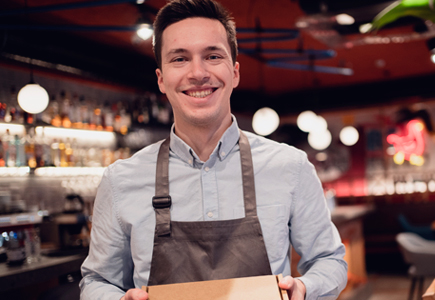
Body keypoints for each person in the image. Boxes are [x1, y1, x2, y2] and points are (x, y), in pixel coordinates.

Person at [79, 0, 348, 299]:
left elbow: (329, 260)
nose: (198, 72)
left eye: (212, 55)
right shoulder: (120, 180)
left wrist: (304, 288)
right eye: (179, 59)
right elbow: (96, 281)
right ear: (161, 80)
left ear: (234, 73)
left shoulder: (291, 166)